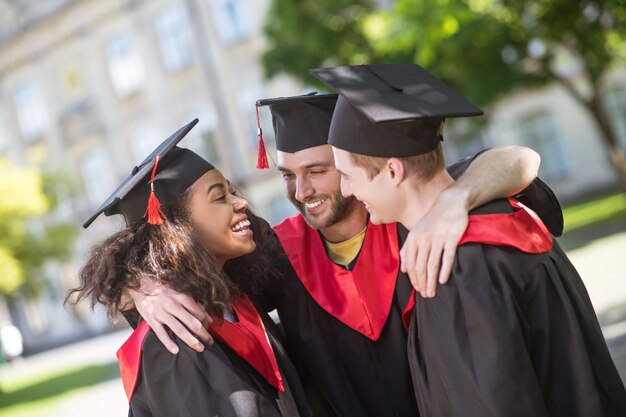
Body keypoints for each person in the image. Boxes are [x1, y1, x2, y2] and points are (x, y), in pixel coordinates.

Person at [125, 94, 563, 417]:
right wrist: (145, 287)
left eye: (318, 171)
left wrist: (456, 200)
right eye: (289, 176)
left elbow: (518, 159)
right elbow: (186, 260)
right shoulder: (280, 254)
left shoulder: (416, 216)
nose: (302, 192)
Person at [312, 63, 626, 417]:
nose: (346, 190)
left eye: (348, 176)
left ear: (393, 170)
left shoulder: (450, 267)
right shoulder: (506, 210)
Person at [69, 120, 314, 417]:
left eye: (232, 191)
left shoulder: (235, 296)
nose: (241, 202)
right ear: (177, 228)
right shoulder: (174, 339)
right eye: (220, 197)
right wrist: (138, 285)